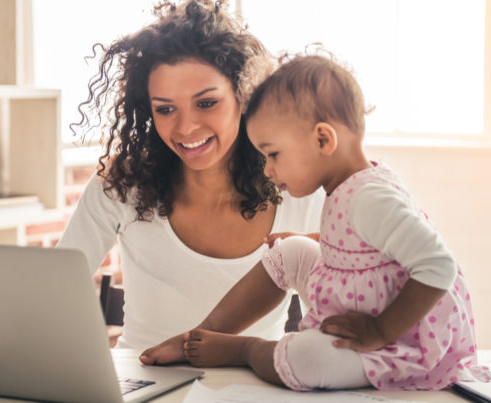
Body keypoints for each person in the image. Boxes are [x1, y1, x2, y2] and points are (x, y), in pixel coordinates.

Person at [141, 53, 491, 390]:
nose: (267, 169)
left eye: (273, 154)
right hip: (363, 297)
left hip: (400, 338)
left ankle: (244, 349)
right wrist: (317, 239)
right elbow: (371, 248)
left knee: (307, 358)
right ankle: (203, 335)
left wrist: (379, 330)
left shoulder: (370, 198)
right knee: (292, 249)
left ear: (323, 139)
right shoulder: (350, 186)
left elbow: (438, 266)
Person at [57, 0, 324, 350]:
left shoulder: (300, 191)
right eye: (165, 109)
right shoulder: (121, 185)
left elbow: (331, 329)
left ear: (244, 96)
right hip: (140, 388)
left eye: (206, 103)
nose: (185, 128)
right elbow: (51, 292)